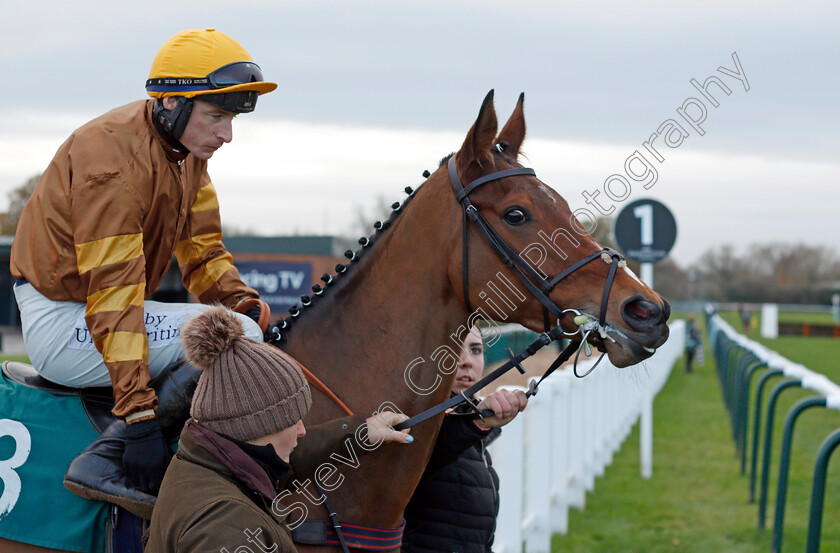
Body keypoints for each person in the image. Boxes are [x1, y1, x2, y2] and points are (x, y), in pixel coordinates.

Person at [9, 28, 276, 512]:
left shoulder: (187, 155)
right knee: (231, 335)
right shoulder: (109, 162)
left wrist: (243, 301)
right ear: (171, 102)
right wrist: (137, 419)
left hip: (97, 310)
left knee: (240, 322)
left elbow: (203, 250)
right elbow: (113, 299)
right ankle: (104, 459)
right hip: (66, 321)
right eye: (217, 116)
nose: (227, 134)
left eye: (232, 119)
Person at [145, 306, 413, 552]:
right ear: (255, 427)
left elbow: (283, 459)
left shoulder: (209, 463)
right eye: (291, 421)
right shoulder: (225, 528)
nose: (302, 430)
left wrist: (360, 433)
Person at [402, 325, 528, 553]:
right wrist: (475, 423)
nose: (466, 361)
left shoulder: (467, 424)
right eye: (451, 350)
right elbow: (430, 453)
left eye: (476, 350)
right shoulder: (416, 423)